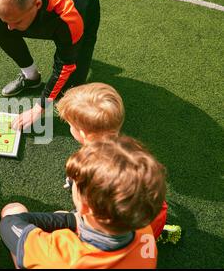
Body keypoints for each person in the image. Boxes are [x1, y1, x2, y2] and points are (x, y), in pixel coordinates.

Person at [0, 136, 166, 269]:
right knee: (62, 215)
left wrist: (71, 219)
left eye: (75, 182)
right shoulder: (144, 230)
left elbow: (9, 224)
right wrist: (74, 218)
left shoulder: (62, 255)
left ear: (84, 206)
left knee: (12, 210)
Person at [0, 0, 100, 129]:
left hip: (82, 1)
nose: (10, 27)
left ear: (37, 5)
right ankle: (31, 77)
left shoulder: (70, 14)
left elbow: (64, 65)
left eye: (17, 21)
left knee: (70, 94)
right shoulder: (0, 2)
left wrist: (38, 109)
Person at [56, 82, 169, 239]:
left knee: (59, 217)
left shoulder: (92, 165)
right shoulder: (131, 151)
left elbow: (94, 211)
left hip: (122, 230)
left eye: (70, 125)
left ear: (81, 133)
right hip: (153, 215)